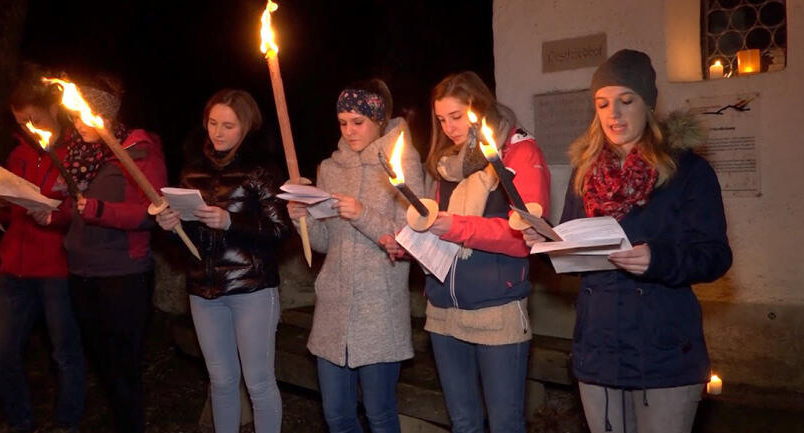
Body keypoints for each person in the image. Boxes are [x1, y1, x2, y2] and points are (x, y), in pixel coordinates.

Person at [522, 49, 732, 433]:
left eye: (626, 101)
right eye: (602, 104)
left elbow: (715, 256)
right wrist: (544, 242)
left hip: (665, 352)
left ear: (648, 104)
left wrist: (659, 259)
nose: (613, 115)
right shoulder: (584, 172)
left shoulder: (687, 171)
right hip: (599, 349)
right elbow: (572, 253)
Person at [286, 79, 422, 433]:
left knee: (379, 414)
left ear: (378, 119)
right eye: (343, 122)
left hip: (379, 308)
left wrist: (363, 213)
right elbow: (323, 242)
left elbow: (412, 237)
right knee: (337, 417)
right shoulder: (330, 169)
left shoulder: (401, 161)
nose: (349, 131)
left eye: (358, 122)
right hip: (333, 307)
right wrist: (302, 217)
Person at [155, 89, 290, 433]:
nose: (218, 132)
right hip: (204, 290)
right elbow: (188, 242)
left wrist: (231, 222)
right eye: (213, 123)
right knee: (221, 380)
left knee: (258, 382)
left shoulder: (261, 171)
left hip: (252, 288)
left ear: (246, 127)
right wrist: (172, 228)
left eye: (228, 125)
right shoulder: (191, 172)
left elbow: (280, 230)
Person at [422, 71, 551, 433]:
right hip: (443, 310)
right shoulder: (448, 163)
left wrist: (456, 227)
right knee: (463, 422)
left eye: (456, 117)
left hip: (497, 309)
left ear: (478, 108)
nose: (448, 128)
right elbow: (439, 225)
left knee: (505, 423)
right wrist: (408, 242)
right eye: (441, 119)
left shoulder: (519, 152)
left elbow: (525, 235)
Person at [0, 71, 85, 433]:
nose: (29, 128)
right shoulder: (19, 154)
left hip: (56, 269)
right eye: (21, 122)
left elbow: (85, 214)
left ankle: (66, 423)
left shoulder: (75, 153)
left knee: (64, 353)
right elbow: (12, 207)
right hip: (14, 269)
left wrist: (53, 214)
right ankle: (21, 422)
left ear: (53, 109)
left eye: (34, 119)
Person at [54, 75, 167, 433]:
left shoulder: (138, 152)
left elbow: (150, 214)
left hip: (123, 276)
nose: (77, 124)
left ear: (104, 115)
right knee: (102, 366)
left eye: (84, 116)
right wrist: (51, 211)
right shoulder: (79, 154)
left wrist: (97, 210)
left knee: (124, 370)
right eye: (73, 117)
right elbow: (76, 209)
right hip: (82, 274)